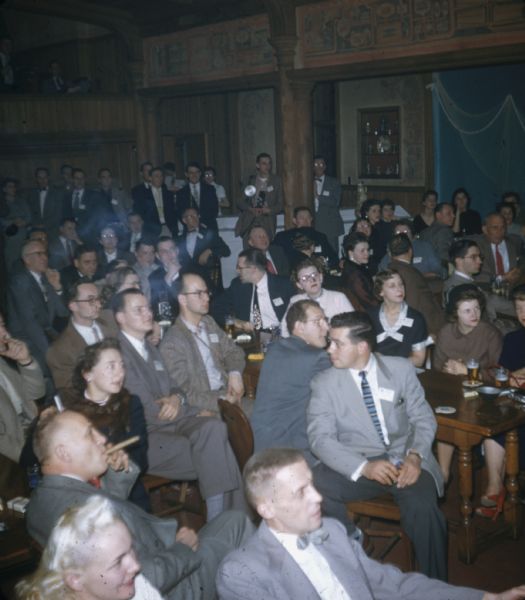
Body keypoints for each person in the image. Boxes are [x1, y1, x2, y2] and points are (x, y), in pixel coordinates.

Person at [216, 448, 524, 600]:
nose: (318, 497)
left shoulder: (331, 531)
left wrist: (484, 597)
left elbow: (391, 584)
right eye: (301, 491)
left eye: (312, 484)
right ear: (266, 508)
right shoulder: (242, 571)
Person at [26, 408, 255, 599]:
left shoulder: (39, 503)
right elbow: (144, 579)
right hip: (172, 585)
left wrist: (118, 474)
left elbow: (105, 516)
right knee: (238, 521)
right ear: (64, 453)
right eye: (89, 434)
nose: (102, 439)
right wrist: (182, 549)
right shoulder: (90, 510)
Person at [308, 312, 447, 580]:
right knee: (315, 482)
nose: (329, 349)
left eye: (337, 343)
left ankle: (438, 586)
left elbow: (423, 417)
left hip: (405, 459)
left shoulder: (400, 369)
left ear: (362, 347)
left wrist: (415, 456)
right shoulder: (324, 384)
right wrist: (364, 467)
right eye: (329, 342)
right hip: (362, 461)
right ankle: (351, 545)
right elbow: (320, 439)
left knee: (424, 510)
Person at [114, 289, 248, 518]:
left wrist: (178, 398)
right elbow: (147, 410)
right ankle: (227, 522)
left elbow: (175, 388)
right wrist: (194, 413)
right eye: (139, 310)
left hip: (173, 424)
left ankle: (228, 522)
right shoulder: (118, 355)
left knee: (216, 429)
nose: (148, 313)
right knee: (219, 448)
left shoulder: (149, 349)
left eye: (148, 308)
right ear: (120, 318)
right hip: (146, 436)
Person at [433, 284, 504, 512]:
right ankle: (443, 474)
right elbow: (437, 371)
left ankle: (494, 484)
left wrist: (468, 372)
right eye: (467, 310)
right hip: (454, 395)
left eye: (476, 309)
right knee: (445, 411)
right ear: (455, 313)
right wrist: (449, 371)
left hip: (485, 397)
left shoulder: (489, 333)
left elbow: (500, 372)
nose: (474, 315)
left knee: (467, 414)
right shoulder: (445, 333)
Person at [17, 495, 162, 600]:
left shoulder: (135, 585)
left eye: (130, 548)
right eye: (118, 562)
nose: (135, 566)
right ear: (75, 580)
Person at [251, 300, 331, 464]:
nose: (326, 327)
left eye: (325, 320)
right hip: (290, 452)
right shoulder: (317, 357)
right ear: (300, 327)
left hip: (260, 441)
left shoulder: (276, 348)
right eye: (318, 322)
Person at [159, 273, 246, 412]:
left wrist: (234, 373)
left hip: (228, 393)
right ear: (183, 299)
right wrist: (222, 401)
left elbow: (233, 351)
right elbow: (183, 392)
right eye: (199, 293)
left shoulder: (208, 323)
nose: (206, 298)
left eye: (206, 292)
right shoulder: (172, 342)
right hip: (206, 407)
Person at [7, 239, 69, 378]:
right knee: (50, 370)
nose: (45, 257)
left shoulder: (46, 277)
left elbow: (62, 312)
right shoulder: (20, 281)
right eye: (39, 254)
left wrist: (57, 287)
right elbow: (30, 323)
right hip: (27, 339)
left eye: (45, 253)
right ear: (27, 259)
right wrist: (49, 353)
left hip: (47, 334)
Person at [47, 281, 112, 392]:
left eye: (99, 299)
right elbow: (70, 393)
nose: (99, 305)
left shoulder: (111, 318)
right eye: (91, 300)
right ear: (73, 306)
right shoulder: (60, 350)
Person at [211, 248, 294, 331]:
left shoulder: (283, 285)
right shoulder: (238, 286)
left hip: (280, 335)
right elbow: (216, 308)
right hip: (251, 336)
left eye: (240, 268)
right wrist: (236, 322)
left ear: (253, 269)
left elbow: (298, 313)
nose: (237, 270)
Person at [0, 310, 45, 462]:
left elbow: (37, 394)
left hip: (35, 434)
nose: (5, 333)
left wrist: (25, 361)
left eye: (3, 325)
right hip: (16, 459)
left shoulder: (3, 363)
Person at [368, 269, 430, 367]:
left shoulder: (416, 319)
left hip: (405, 371)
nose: (399, 289)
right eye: (392, 286)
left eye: (401, 284)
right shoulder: (370, 316)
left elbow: (419, 360)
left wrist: (388, 362)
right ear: (381, 292)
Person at [388, 234, 446, 337]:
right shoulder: (409, 273)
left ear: (390, 254)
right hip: (427, 329)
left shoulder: (391, 269)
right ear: (410, 251)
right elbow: (415, 304)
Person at [280, 258, 353, 337]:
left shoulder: (338, 298)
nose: (312, 280)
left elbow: (353, 325)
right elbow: (285, 329)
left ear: (321, 277)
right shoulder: (295, 301)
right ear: (299, 285)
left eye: (314, 275)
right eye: (305, 278)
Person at [176, 207, 231, 290]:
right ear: (184, 220)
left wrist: (209, 251)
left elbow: (226, 251)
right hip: (189, 282)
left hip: (209, 281)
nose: (194, 218)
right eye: (190, 216)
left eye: (196, 215)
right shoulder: (178, 240)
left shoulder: (209, 234)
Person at [235, 153, 283, 242]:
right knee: (249, 248)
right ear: (257, 165)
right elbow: (239, 201)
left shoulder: (276, 180)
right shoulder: (249, 180)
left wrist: (270, 210)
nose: (267, 166)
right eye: (264, 163)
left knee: (264, 248)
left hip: (267, 220)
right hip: (250, 219)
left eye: (269, 163)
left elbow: (281, 204)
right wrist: (250, 209)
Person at [272, 206, 338, 269]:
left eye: (308, 217)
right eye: (301, 217)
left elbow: (333, 258)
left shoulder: (320, 236)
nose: (305, 220)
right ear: (294, 221)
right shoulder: (284, 237)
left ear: (311, 219)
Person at [378, 219, 444, 282]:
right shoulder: (392, 251)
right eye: (398, 232)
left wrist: (423, 276)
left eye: (405, 232)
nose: (402, 235)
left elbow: (439, 270)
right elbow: (381, 274)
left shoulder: (424, 247)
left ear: (412, 233)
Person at [471, 213, 524, 287]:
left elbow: (522, 260)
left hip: (514, 289)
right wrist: (503, 278)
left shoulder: (515, 242)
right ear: (485, 229)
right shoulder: (477, 246)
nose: (500, 231)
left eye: (503, 227)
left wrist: (519, 271)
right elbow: (479, 276)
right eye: (495, 227)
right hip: (488, 288)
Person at [132, 166, 178, 238]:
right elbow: (139, 212)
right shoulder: (143, 194)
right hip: (152, 229)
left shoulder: (168, 194)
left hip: (168, 228)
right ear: (150, 178)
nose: (159, 178)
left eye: (161, 176)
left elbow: (173, 212)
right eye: (156, 176)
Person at [312, 155, 344, 254]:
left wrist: (318, 196)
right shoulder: (307, 182)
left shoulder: (334, 182)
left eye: (321, 164)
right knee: (316, 252)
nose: (319, 166)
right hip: (313, 223)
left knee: (332, 251)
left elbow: (336, 202)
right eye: (316, 164)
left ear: (325, 167)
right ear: (312, 167)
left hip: (329, 224)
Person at [340, 231, 378, 312]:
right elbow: (368, 301)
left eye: (367, 250)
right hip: (363, 314)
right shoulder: (354, 274)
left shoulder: (356, 267)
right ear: (351, 253)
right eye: (362, 251)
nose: (367, 254)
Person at [176, 162, 219, 231]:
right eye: (191, 173)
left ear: (200, 173)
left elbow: (214, 209)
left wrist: (201, 224)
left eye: (196, 172)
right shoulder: (181, 193)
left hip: (209, 228)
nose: (194, 175)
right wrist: (191, 224)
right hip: (190, 228)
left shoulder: (210, 189)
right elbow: (180, 213)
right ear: (186, 174)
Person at [26, 167, 65, 240]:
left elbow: (58, 214)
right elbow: (29, 213)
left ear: (48, 178)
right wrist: (36, 226)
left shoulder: (58, 193)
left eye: (45, 177)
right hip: (36, 231)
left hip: (53, 230)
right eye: (40, 178)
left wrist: (44, 225)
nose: (43, 180)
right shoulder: (31, 194)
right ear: (36, 179)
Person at [442, 239, 483, 306]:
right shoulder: (457, 288)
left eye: (479, 256)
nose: (480, 261)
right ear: (459, 261)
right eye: (473, 257)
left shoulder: (468, 280)